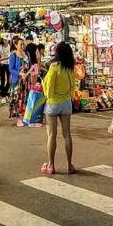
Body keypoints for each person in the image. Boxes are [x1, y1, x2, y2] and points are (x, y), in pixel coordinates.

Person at [41, 42, 76, 175]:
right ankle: (69, 165)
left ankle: (51, 165)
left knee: (52, 135)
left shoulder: (54, 67)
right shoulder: (70, 68)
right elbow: (72, 86)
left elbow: (49, 87)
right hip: (66, 103)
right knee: (67, 135)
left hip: (53, 104)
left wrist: (46, 92)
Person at [0, 38, 11, 104]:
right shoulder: (0, 46)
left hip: (8, 64)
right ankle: (3, 96)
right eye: (4, 40)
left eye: (6, 40)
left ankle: (5, 95)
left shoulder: (10, 46)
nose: (5, 41)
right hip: (2, 64)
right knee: (2, 81)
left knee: (8, 81)